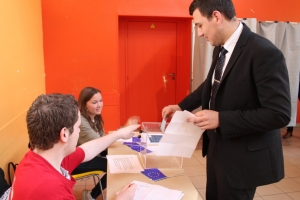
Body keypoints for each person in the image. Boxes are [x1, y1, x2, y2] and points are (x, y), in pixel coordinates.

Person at [162, 0, 291, 199]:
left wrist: (221, 119)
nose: (199, 33)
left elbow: (279, 114)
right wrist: (181, 105)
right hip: (216, 147)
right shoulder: (220, 48)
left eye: (199, 25)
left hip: (242, 157)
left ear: (216, 16)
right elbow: (211, 84)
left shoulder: (263, 52)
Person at [9, 94, 140, 200]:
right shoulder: (53, 191)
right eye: (78, 127)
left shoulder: (41, 156)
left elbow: (85, 150)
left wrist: (119, 134)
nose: (79, 131)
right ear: (64, 134)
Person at [73, 86, 139, 200]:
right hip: (78, 160)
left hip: (92, 153)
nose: (99, 105)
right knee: (115, 166)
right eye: (95, 102)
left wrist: (122, 131)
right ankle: (91, 196)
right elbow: (100, 142)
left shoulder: (95, 116)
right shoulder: (82, 122)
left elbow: (102, 138)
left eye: (101, 101)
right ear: (84, 105)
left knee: (119, 160)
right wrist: (121, 132)